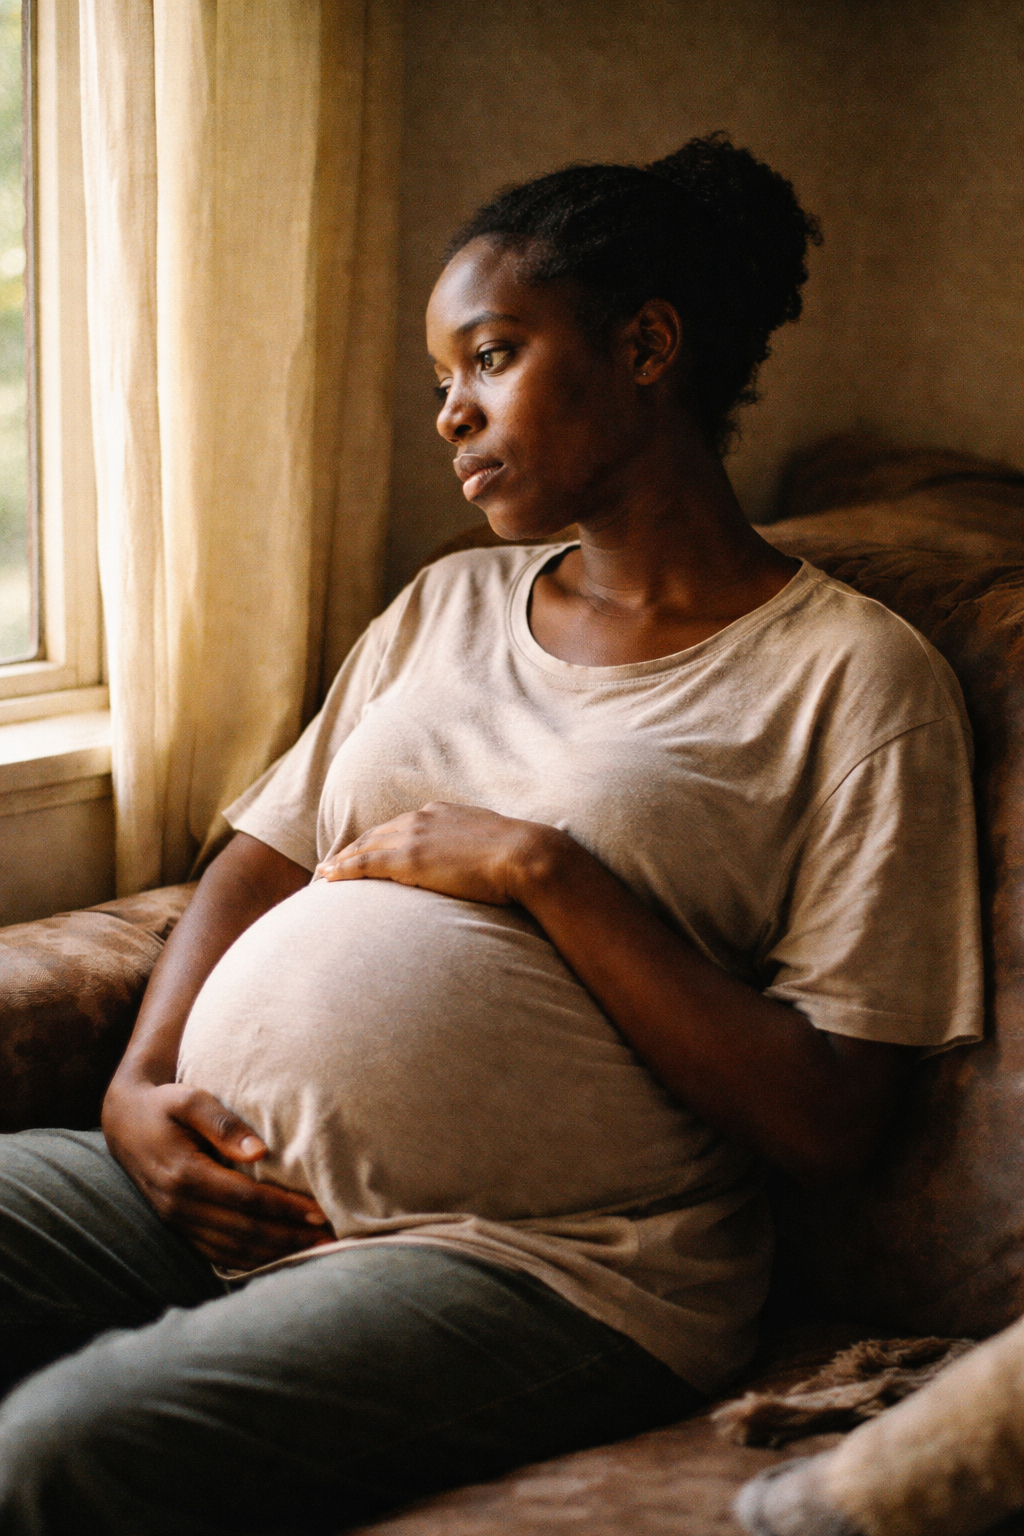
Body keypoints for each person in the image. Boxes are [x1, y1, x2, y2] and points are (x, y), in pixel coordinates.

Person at [0, 134, 982, 1535]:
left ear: (647, 345)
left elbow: (825, 1120)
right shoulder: (444, 606)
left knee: (53, 1456)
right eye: (441, 381)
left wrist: (548, 871)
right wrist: (135, 1088)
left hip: (549, 1262)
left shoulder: (853, 679)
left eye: (492, 357)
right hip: (235, 1184)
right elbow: (258, 863)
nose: (451, 413)